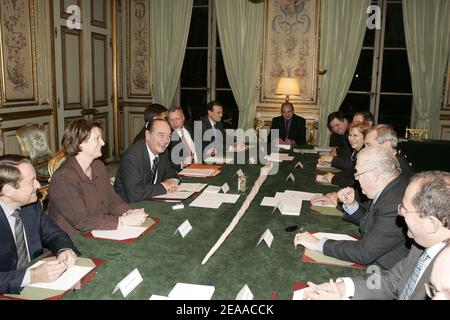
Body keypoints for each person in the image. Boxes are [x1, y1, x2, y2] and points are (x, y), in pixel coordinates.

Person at [303, 171, 450, 300]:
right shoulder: (423, 246)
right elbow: (391, 281)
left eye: (405, 209)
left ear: (431, 224)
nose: (399, 213)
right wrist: (343, 288)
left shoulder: (445, 271)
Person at [295, 145, 410, 269]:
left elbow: (364, 253)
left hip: (386, 273)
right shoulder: (392, 187)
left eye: (358, 174)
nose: (357, 179)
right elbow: (373, 223)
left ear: (374, 174)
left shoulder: (394, 205)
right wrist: (352, 205)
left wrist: (318, 244)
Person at [49, 119, 148, 236]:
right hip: (73, 240)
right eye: (97, 139)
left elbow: (111, 199)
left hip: (97, 230)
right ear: (80, 143)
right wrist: (122, 221)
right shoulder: (63, 178)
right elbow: (82, 221)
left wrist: (128, 211)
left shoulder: (98, 166)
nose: (103, 143)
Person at [0, 155, 79, 294]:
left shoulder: (30, 205)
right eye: (32, 181)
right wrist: (32, 276)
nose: (39, 186)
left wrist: (64, 250)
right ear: (8, 191)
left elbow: (53, 233)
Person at [114, 118, 179, 203]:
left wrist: (172, 181)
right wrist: (164, 186)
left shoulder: (163, 152)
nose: (166, 140)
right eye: (161, 135)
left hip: (150, 201)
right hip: (128, 206)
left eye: (169, 136)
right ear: (148, 135)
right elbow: (135, 194)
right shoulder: (132, 157)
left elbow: (170, 173)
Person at [318, 121, 372, 189]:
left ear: (365, 137)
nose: (351, 139)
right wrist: (334, 176)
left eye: (355, 135)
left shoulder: (366, 156)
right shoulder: (357, 151)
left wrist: (334, 179)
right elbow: (350, 172)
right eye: (350, 135)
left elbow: (356, 185)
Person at [167, 106, 197, 170]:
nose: (174, 122)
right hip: (183, 172)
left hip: (201, 165)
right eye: (171, 120)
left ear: (183, 118)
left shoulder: (191, 128)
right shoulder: (167, 137)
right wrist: (182, 164)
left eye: (177, 119)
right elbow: (167, 162)